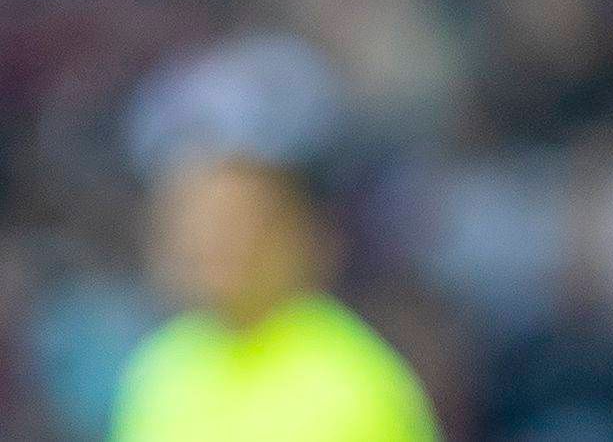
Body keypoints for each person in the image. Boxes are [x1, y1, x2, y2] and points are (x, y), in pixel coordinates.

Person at [112, 152, 438, 442]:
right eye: (199, 228)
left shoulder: (354, 376)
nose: (211, 245)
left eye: (234, 226)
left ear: (288, 238)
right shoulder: (159, 366)